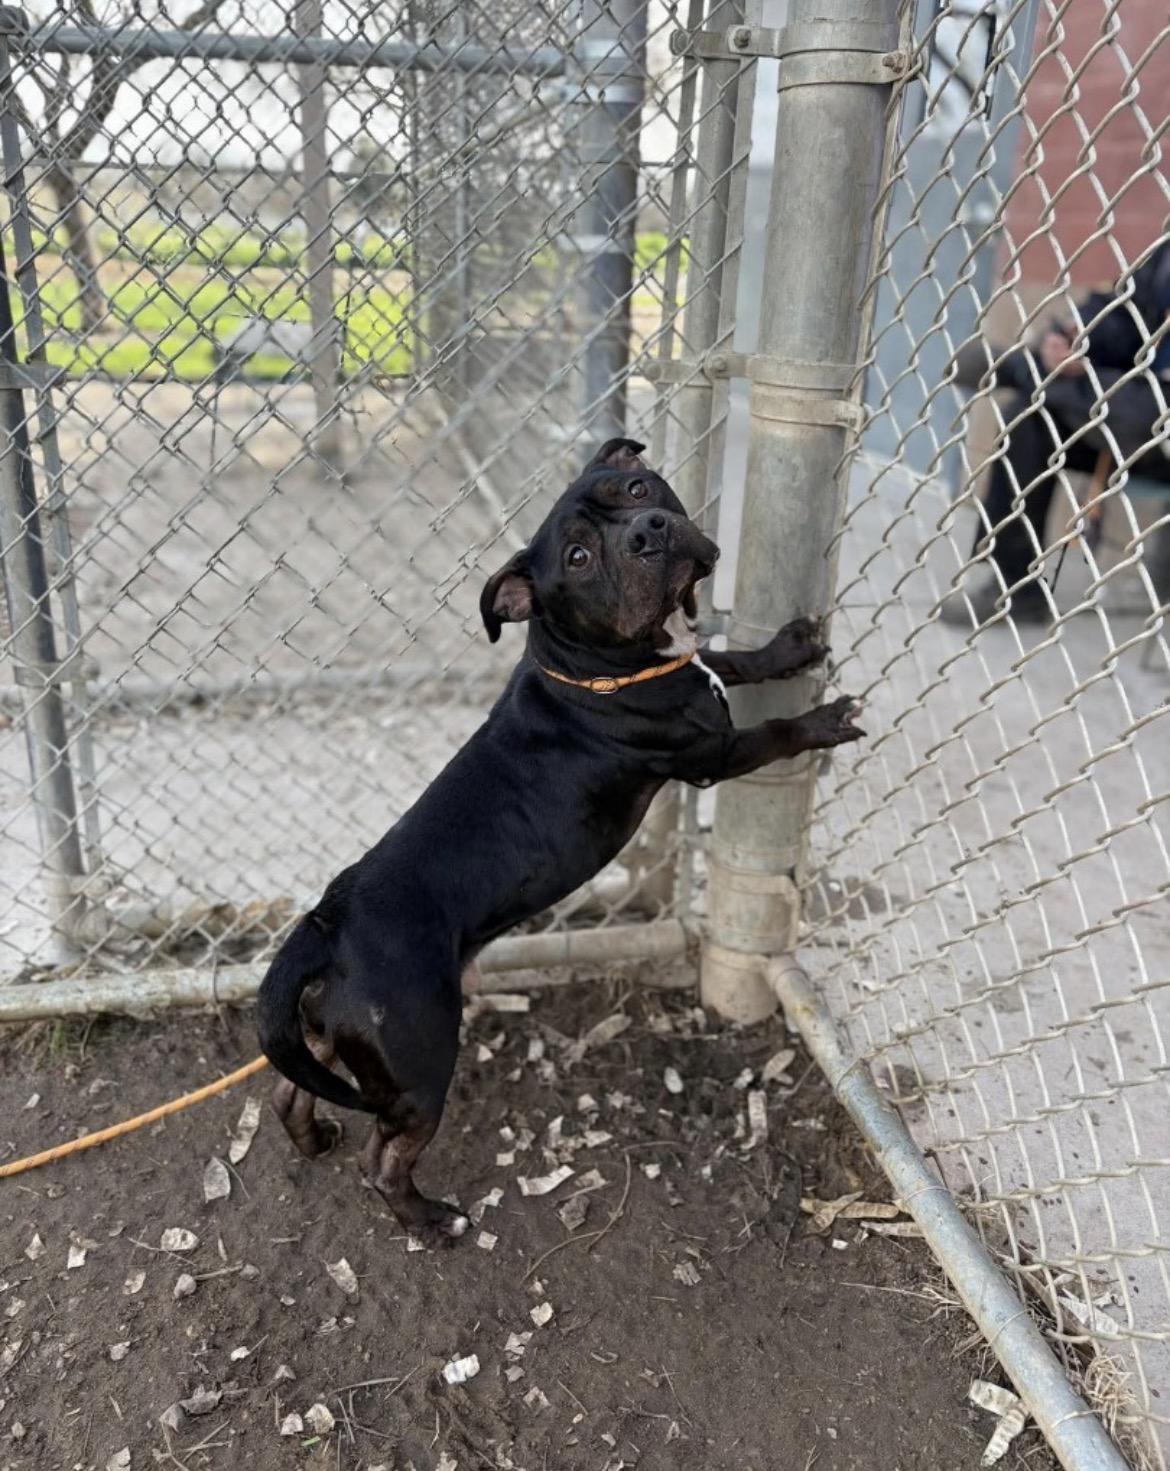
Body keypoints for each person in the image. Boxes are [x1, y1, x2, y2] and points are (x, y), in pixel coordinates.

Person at [941, 237, 1170, 627]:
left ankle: (1020, 368)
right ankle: (1014, 589)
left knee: (1103, 396)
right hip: (1128, 416)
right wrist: (1074, 336)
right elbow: (1122, 311)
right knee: (1030, 417)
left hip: (1152, 417)